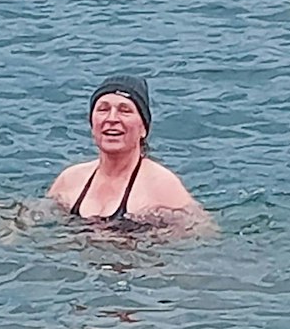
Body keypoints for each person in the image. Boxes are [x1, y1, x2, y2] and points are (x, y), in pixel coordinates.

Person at [47, 75, 202, 223]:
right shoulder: (71, 179)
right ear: (92, 126)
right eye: (103, 109)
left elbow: (202, 234)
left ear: (143, 129)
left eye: (125, 110)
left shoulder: (162, 187)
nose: (112, 118)